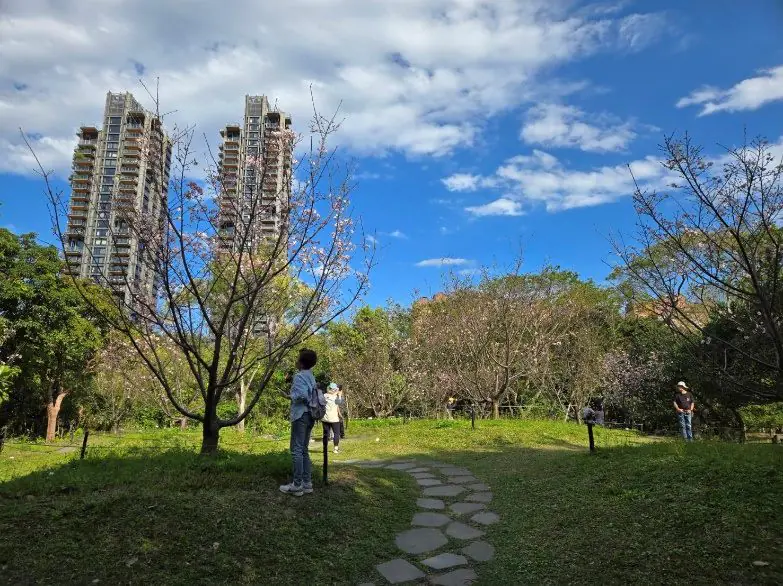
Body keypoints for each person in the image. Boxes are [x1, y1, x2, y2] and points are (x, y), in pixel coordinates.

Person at [280, 348, 318, 497]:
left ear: (301, 363)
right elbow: (307, 394)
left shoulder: (299, 376)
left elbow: (302, 396)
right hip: (310, 415)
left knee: (296, 450)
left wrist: (291, 397)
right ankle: (307, 483)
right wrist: (290, 396)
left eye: (298, 359)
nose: (296, 361)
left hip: (300, 415)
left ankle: (297, 485)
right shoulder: (311, 376)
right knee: (303, 449)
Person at [322, 383, 344, 453]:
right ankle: (336, 449)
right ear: (335, 389)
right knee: (336, 433)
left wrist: (336, 393)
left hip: (325, 418)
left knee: (326, 434)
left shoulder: (324, 396)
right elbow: (340, 403)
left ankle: (325, 449)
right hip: (334, 418)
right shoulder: (336, 398)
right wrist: (339, 394)